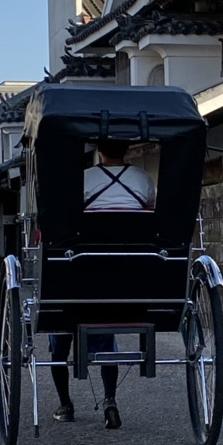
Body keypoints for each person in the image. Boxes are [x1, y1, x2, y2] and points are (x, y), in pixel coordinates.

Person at [51, 141, 156, 429]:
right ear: (128, 151)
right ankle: (110, 399)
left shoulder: (81, 181)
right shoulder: (143, 180)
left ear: (99, 151)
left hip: (82, 281)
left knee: (59, 339)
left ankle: (65, 404)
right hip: (132, 282)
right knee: (108, 334)